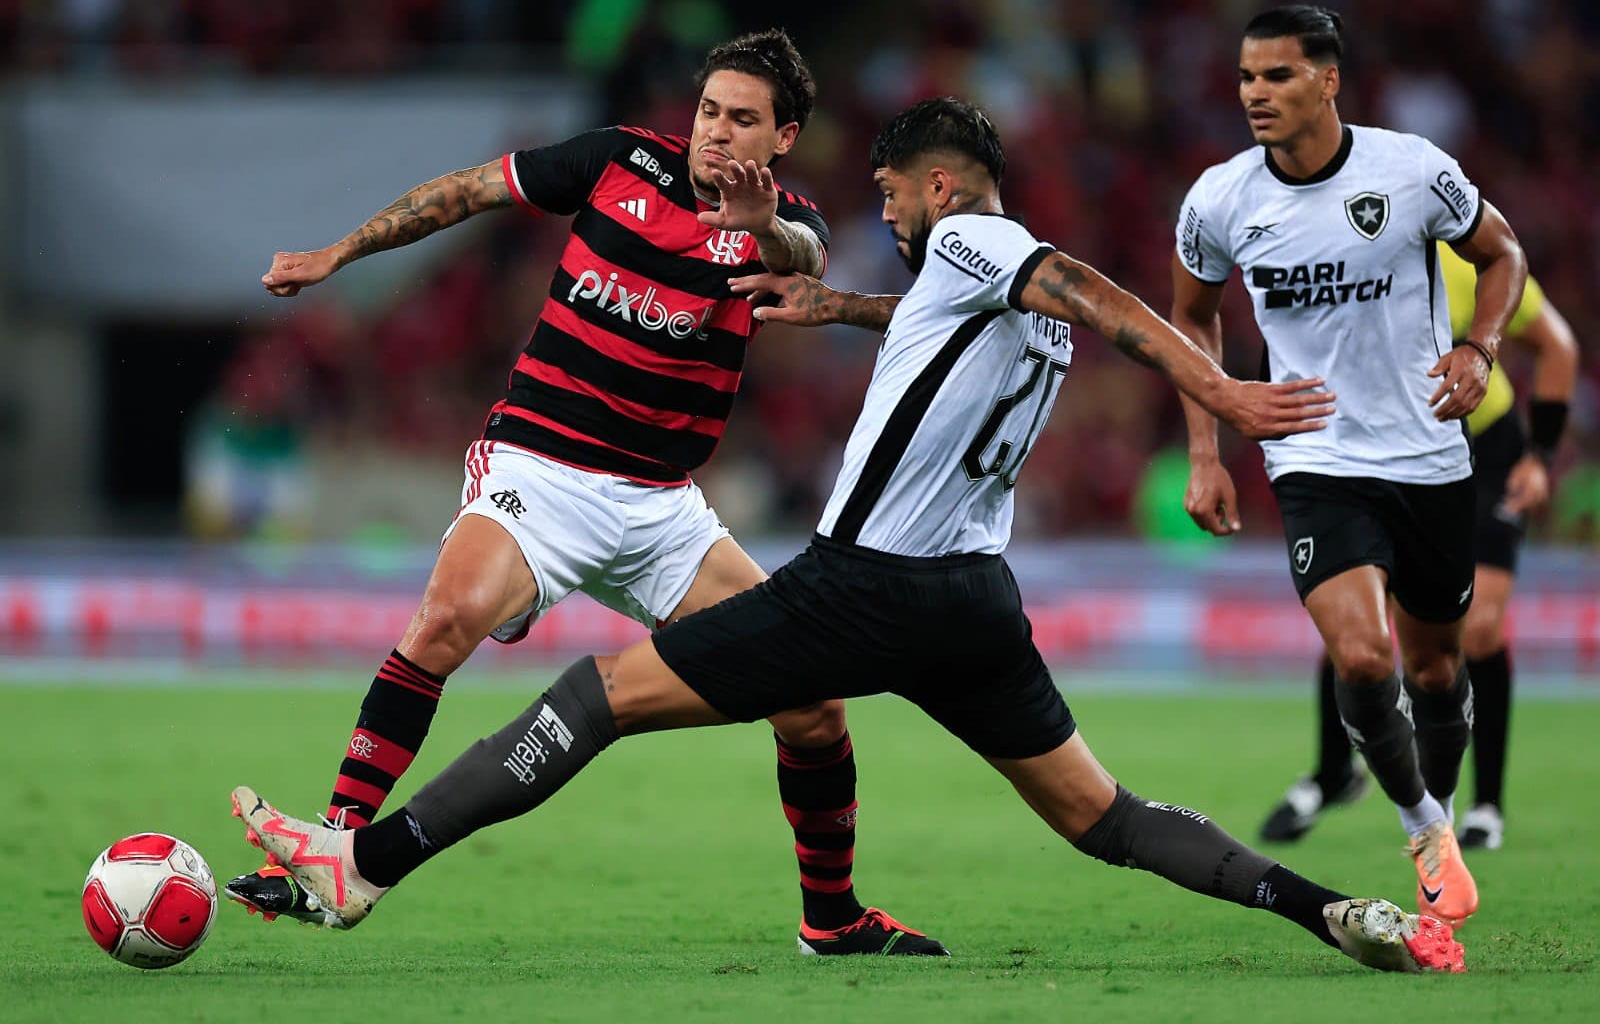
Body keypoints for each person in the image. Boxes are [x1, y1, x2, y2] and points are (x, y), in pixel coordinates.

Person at [232, 96, 1465, 974]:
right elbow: (962, 317)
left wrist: (1223, 393)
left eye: (889, 193)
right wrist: (847, 305)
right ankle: (1334, 912)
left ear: (937, 186)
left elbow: (1081, 284)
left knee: (594, 695)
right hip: (973, 601)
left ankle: (364, 864)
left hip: (861, 589)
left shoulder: (982, 238)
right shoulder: (983, 296)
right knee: (1104, 817)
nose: (882, 210)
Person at [224, 28, 948, 956]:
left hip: (662, 509)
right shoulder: (617, 162)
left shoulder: (780, 220)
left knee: (813, 706)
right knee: (449, 618)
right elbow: (464, 192)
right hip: (541, 468)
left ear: (785, 137)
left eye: (744, 120)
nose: (718, 133)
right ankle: (334, 845)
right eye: (709, 111)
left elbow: (803, 257)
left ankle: (833, 920)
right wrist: (342, 254)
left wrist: (762, 223)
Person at [1168, 5, 1529, 929]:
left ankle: (1438, 814)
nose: (1255, 93)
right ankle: (1420, 826)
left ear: (1328, 81)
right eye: (1246, 77)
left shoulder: (1409, 170)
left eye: (1278, 76)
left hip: (1429, 454)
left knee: (1438, 670)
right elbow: (1193, 323)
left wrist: (1480, 350)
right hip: (1313, 454)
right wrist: (1207, 452)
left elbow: (1502, 255)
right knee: (1363, 655)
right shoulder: (1219, 199)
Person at [1259, 245, 1579, 849]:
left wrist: (1540, 458)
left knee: (1476, 629)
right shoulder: (1327, 261)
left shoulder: (1459, 264)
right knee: (1357, 619)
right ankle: (1333, 775)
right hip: (1381, 458)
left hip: (1486, 456)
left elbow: (1557, 346)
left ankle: (1486, 804)